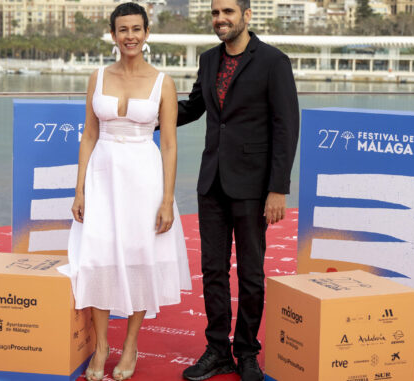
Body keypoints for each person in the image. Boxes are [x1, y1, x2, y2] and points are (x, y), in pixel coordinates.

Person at [57, 3, 191, 381]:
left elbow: (169, 144)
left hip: (144, 180)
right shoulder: (97, 77)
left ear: (146, 33)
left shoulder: (162, 81)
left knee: (138, 258)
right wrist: (79, 188)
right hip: (102, 177)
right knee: (97, 257)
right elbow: (89, 136)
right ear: (113, 35)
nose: (129, 35)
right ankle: (101, 345)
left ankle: (130, 344)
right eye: (122, 29)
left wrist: (167, 199)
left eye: (136, 28)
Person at [176, 0, 299, 379]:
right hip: (211, 180)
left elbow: (286, 126)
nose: (220, 19)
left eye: (228, 11)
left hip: (253, 184)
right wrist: (144, 117)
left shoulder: (273, 61)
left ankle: (246, 351)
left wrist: (277, 189)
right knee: (213, 270)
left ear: (246, 15)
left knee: (250, 272)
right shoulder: (208, 59)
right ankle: (217, 350)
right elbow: (194, 107)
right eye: (215, 13)